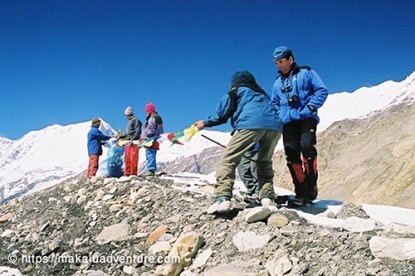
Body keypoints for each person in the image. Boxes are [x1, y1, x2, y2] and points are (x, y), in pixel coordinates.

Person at [195, 70, 282, 214]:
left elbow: (221, 115)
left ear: (234, 84)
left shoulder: (235, 92)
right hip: (275, 127)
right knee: (263, 162)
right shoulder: (262, 94)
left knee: (228, 161)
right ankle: (267, 197)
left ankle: (222, 199)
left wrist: (204, 123)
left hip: (250, 125)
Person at [271, 46, 328, 206]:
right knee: (291, 156)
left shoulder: (307, 73)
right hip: (288, 123)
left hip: (306, 118)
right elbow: (274, 103)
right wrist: (276, 115)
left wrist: (310, 107)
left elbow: (321, 90)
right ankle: (301, 193)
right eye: (276, 63)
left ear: (290, 59)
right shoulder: (277, 84)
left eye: (281, 61)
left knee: (308, 148)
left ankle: (311, 187)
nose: (279, 65)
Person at [118, 106, 142, 176]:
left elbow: (138, 131)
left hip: (134, 142)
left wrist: (133, 139)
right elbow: (128, 132)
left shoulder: (136, 120)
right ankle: (127, 173)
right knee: (127, 158)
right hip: (128, 142)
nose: (126, 116)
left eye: (127, 115)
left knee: (133, 158)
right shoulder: (129, 122)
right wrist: (121, 136)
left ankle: (133, 173)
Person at [142, 102, 164, 176]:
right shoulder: (157, 117)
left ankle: (151, 170)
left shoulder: (152, 118)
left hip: (151, 138)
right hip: (156, 138)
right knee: (152, 154)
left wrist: (147, 136)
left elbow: (151, 128)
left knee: (150, 154)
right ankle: (151, 169)